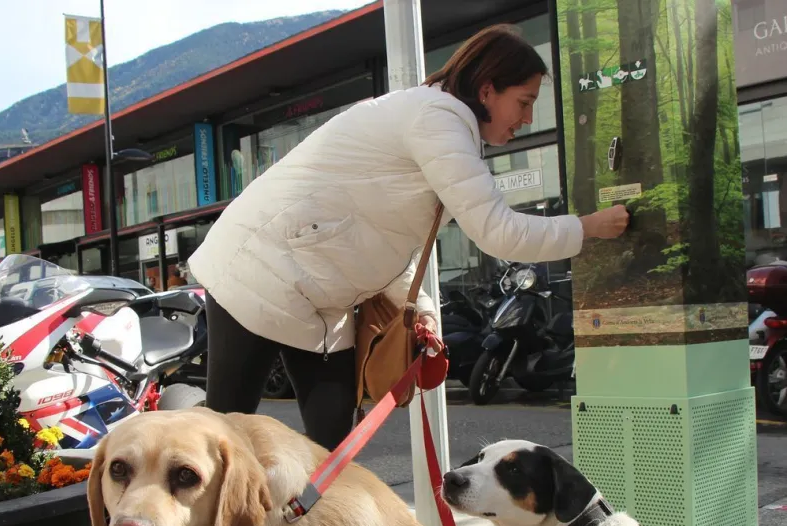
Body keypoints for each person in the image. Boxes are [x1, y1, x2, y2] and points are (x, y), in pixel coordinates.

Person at [186, 23, 628, 456]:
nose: (528, 117)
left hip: (321, 295)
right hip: (254, 271)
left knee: (334, 443)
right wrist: (587, 227)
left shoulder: (441, 123)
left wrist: (424, 312)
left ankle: (306, 525)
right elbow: (499, 231)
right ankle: (172, 515)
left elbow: (395, 240)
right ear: (488, 89)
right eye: (524, 101)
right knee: (222, 435)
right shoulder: (437, 119)